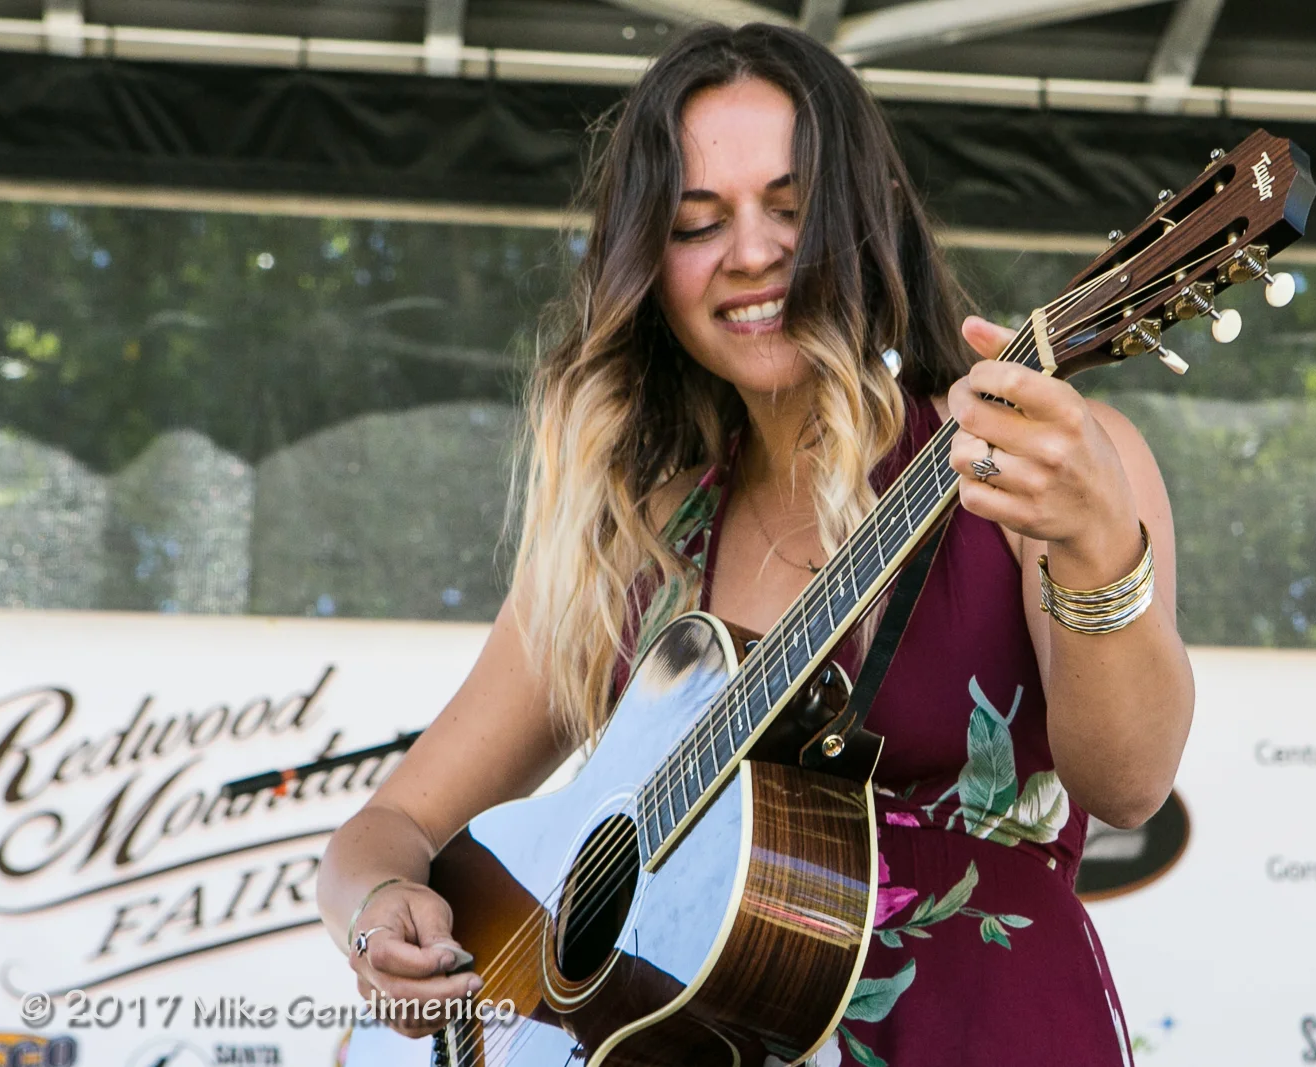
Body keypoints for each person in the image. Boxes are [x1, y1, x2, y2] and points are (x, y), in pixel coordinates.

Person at [317, 21, 1193, 1066]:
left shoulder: (1042, 460)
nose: (750, 252)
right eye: (697, 222)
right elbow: (390, 827)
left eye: (791, 207)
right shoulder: (636, 535)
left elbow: (1130, 784)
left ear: (871, 215)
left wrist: (1093, 538)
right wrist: (376, 909)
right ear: (648, 264)